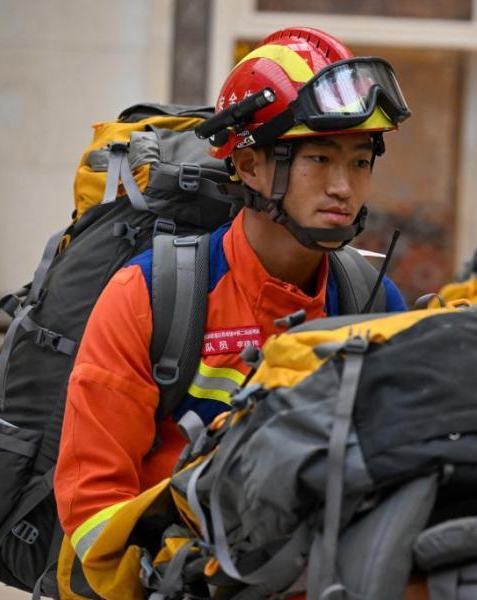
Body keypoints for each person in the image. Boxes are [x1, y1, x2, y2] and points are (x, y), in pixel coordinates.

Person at [53, 27, 410, 596]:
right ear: (247, 165)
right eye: (320, 158)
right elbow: (93, 512)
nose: (344, 187)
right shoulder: (149, 295)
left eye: (361, 162)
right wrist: (195, 572)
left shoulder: (373, 301)